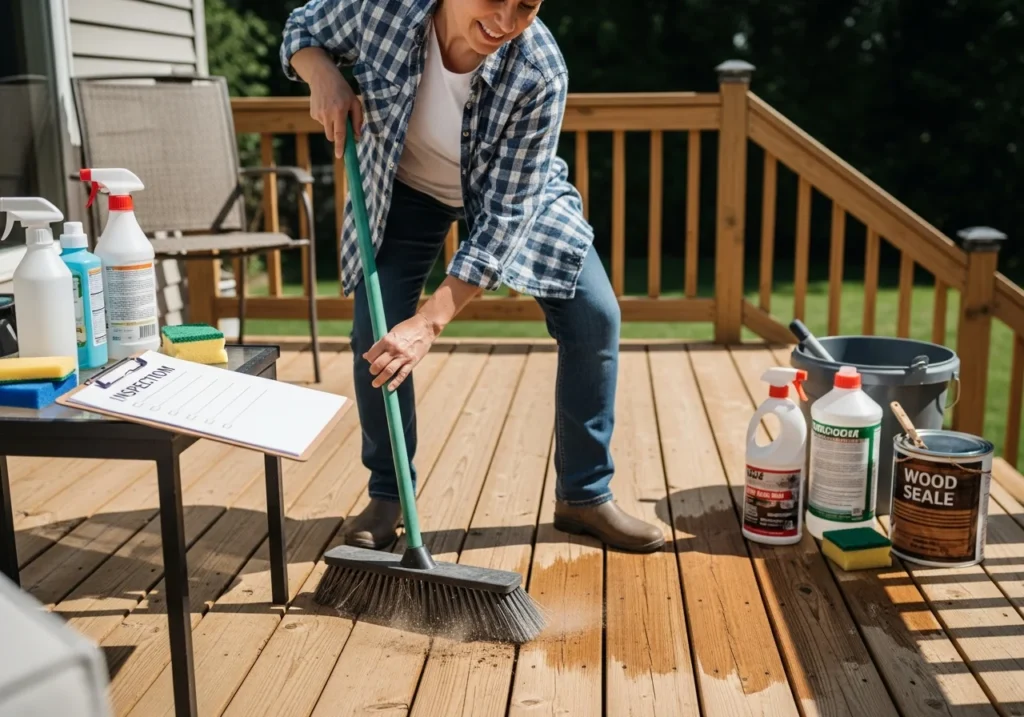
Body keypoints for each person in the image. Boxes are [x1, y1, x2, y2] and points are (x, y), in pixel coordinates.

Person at [280, 0, 664, 553]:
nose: (506, 22)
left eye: (526, 6)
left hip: (509, 192)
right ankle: (389, 494)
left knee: (596, 316)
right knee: (376, 330)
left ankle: (584, 495)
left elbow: (506, 219)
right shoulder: (381, 9)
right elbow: (302, 27)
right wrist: (323, 74)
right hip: (406, 186)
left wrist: (431, 323)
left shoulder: (539, 69)